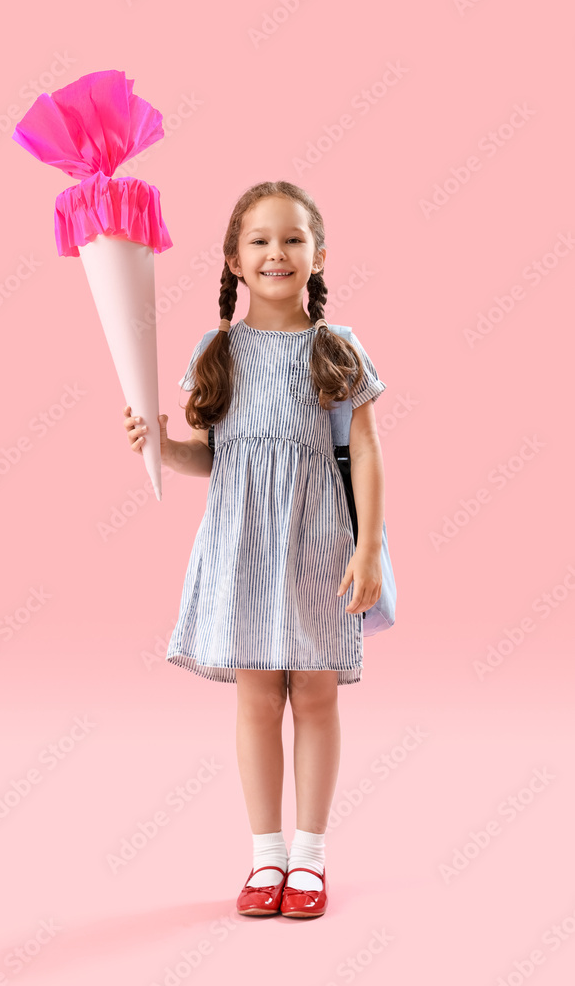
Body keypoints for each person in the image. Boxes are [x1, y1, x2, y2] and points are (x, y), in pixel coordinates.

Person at [123, 180, 387, 919]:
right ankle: (264, 859)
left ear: (319, 254)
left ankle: (309, 861)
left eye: (293, 239)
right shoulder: (217, 351)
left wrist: (366, 549)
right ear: (234, 261)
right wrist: (164, 449)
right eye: (260, 241)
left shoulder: (336, 349)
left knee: (314, 693)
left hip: (315, 543)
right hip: (240, 545)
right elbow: (220, 458)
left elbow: (364, 454)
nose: (277, 252)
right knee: (256, 698)